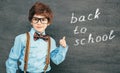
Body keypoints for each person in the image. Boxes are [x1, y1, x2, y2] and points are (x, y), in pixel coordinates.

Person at [6, 1, 68, 73]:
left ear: (48, 23)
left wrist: (63, 47)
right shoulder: (21, 39)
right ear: (31, 21)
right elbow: (12, 60)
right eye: (36, 19)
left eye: (43, 20)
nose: (39, 23)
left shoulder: (51, 41)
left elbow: (57, 60)